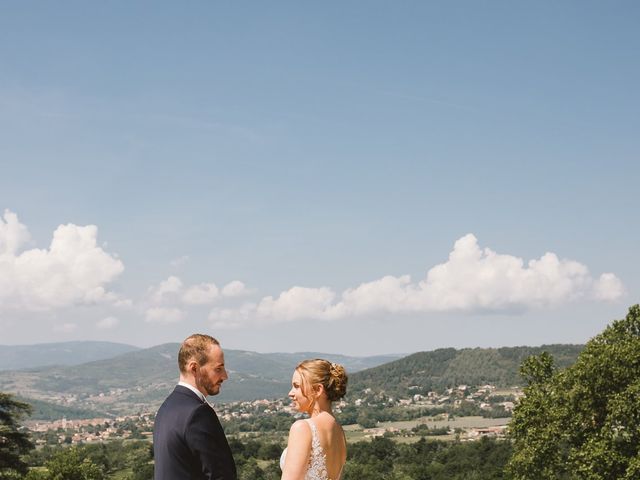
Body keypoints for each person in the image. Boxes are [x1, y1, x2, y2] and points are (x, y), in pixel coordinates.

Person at [153, 334, 237, 480]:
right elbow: (221, 475)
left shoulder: (165, 409)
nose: (225, 376)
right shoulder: (198, 413)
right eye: (218, 369)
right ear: (194, 368)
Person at [280, 359, 348, 480]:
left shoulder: (302, 428)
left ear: (318, 390)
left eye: (296, 386)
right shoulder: (339, 431)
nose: (290, 393)